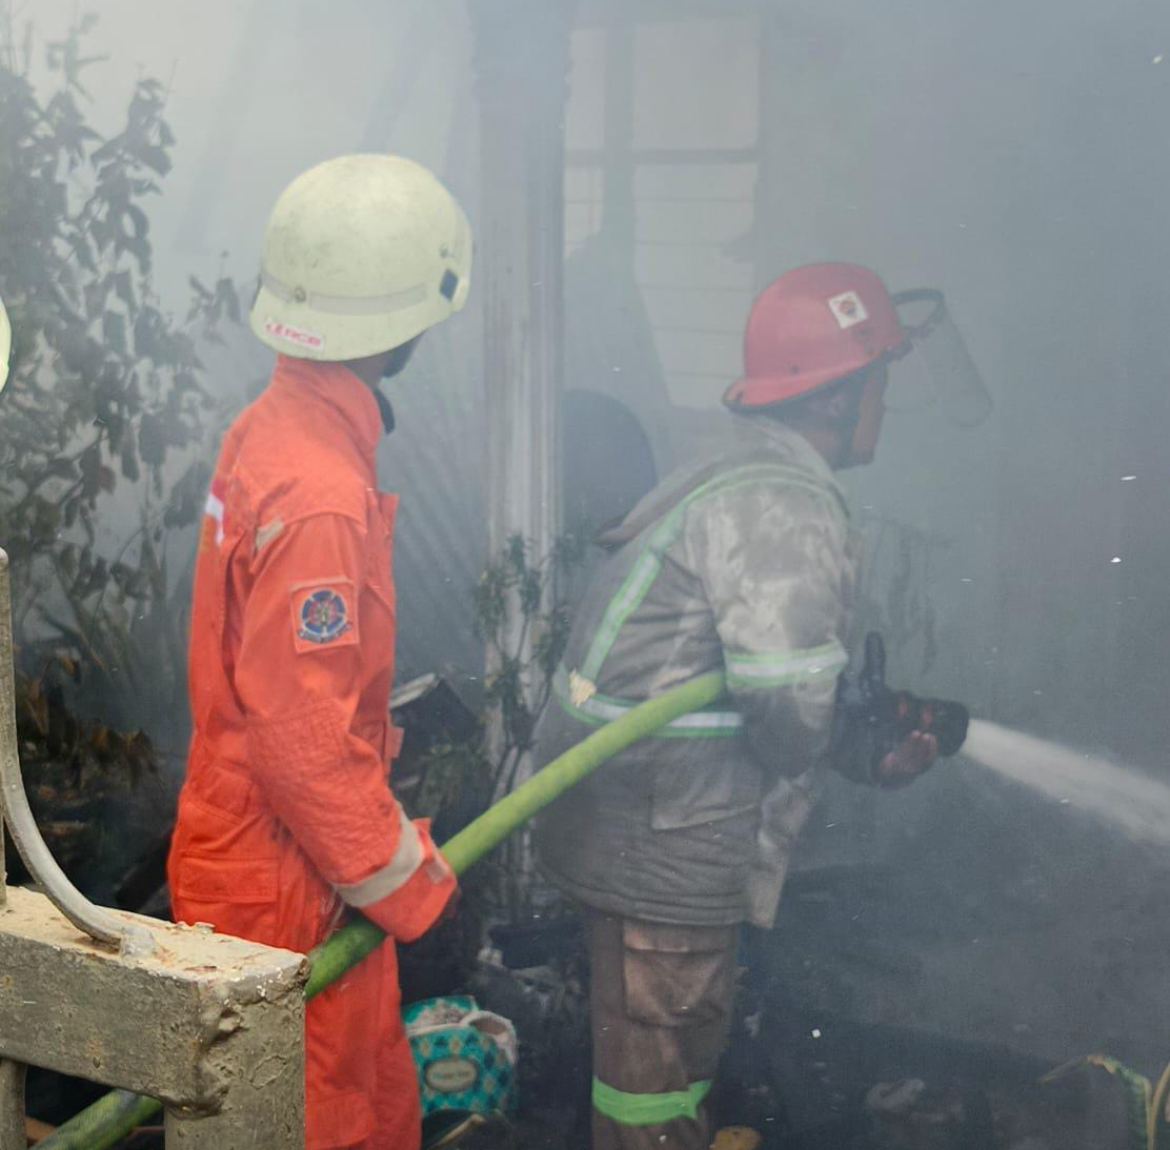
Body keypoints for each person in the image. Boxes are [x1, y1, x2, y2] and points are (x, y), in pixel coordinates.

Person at [534, 263, 941, 1150]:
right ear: (836, 397)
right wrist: (843, 724)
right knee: (655, 1092)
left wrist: (866, 746)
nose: (883, 404)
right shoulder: (783, 503)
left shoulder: (741, 469)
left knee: (653, 1068)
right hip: (667, 845)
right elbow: (790, 714)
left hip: (641, 825)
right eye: (877, 381)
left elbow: (762, 686)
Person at [168, 154, 471, 1150]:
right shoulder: (321, 494)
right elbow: (301, 742)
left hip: (288, 861)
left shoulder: (273, 426)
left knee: (370, 1110)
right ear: (403, 322)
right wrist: (415, 891)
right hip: (285, 877)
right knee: (316, 1127)